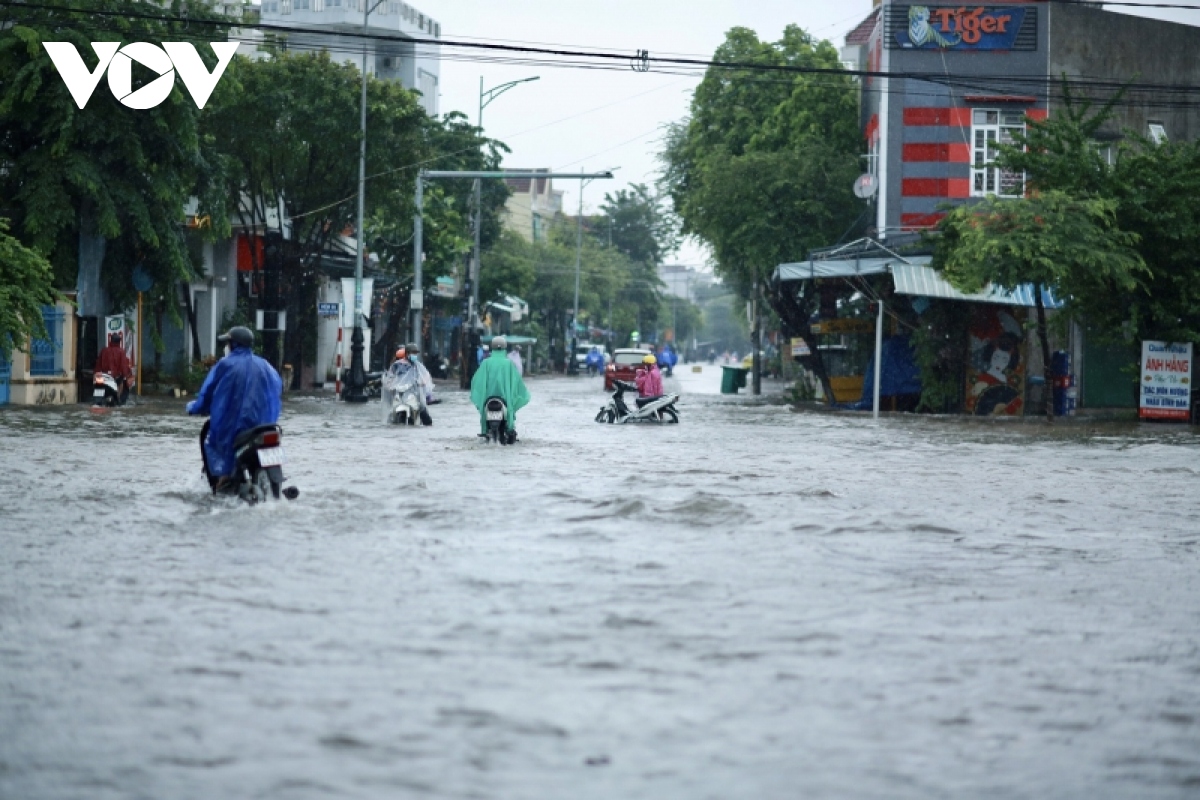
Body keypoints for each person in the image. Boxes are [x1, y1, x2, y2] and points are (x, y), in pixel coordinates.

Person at [187, 326, 282, 489]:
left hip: (237, 428)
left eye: (228, 343)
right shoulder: (266, 365)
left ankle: (222, 478)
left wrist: (194, 407)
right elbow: (276, 391)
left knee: (214, 440)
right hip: (264, 427)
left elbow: (208, 392)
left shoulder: (225, 365)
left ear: (233, 345)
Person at [471, 335, 530, 441]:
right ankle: (509, 429)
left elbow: (476, 381)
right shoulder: (508, 364)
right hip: (505, 399)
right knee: (510, 411)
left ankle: (484, 430)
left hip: (488, 400)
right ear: (504, 348)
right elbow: (517, 382)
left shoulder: (486, 363)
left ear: (492, 348)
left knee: (484, 416)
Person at [387, 345, 434, 425]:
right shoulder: (397, 365)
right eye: (413, 353)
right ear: (407, 353)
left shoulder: (417, 365)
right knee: (391, 411)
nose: (415, 355)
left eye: (416, 353)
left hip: (413, 391)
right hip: (400, 391)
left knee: (422, 407)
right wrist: (389, 384)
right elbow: (390, 376)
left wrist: (423, 381)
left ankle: (427, 424)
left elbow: (425, 375)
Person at [95, 332, 134, 404]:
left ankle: (98, 401)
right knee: (123, 386)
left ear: (110, 341)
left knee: (98, 394)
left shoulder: (104, 351)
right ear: (119, 342)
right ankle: (119, 401)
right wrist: (127, 375)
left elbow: (98, 365)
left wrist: (97, 373)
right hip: (116, 377)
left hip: (104, 376)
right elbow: (124, 367)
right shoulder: (121, 352)